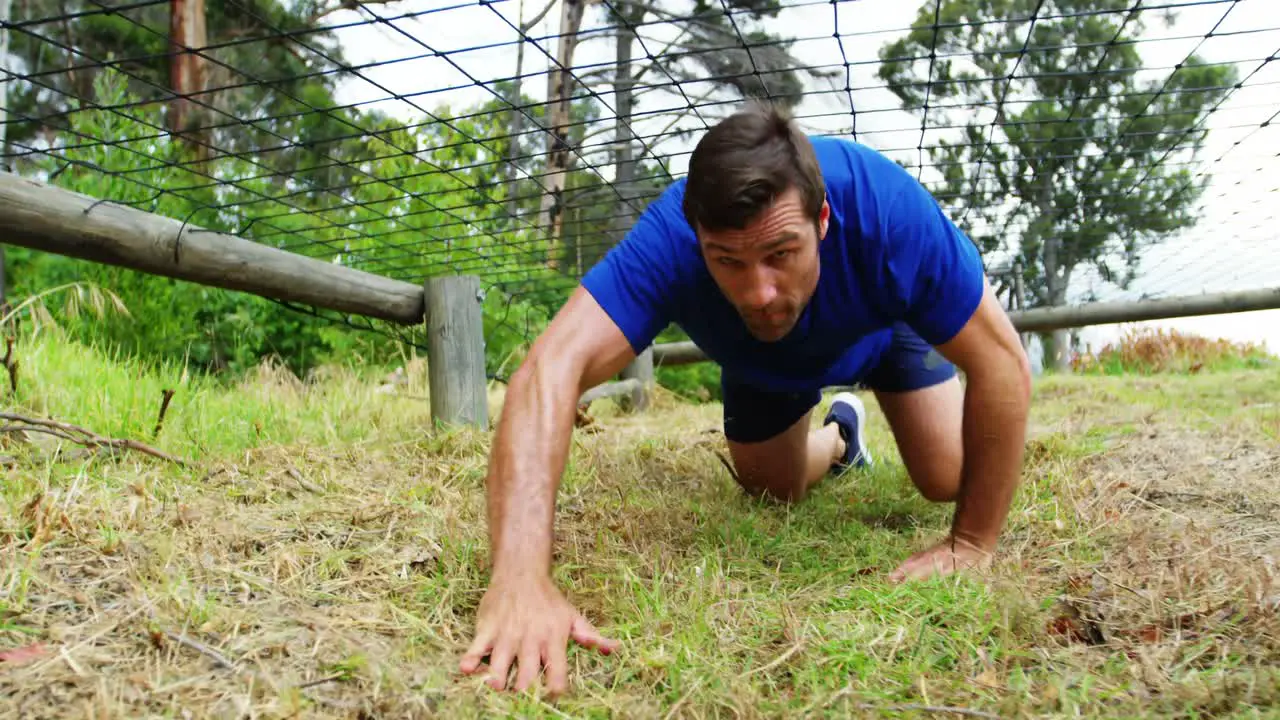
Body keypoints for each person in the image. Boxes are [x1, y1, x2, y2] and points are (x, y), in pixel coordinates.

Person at [459, 102, 1032, 697]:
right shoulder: (670, 240)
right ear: (699, 237)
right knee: (773, 490)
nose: (759, 291)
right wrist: (520, 578)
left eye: (781, 253)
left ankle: (882, 417)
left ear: (823, 220)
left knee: (946, 476)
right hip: (762, 359)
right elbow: (549, 367)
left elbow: (1001, 362)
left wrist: (972, 543)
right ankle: (841, 438)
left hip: (886, 335)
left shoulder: (889, 212)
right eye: (728, 261)